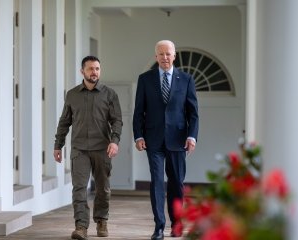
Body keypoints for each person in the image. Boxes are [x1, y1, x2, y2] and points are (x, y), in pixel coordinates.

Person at [132, 40, 199, 240]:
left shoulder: (186, 79)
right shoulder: (145, 79)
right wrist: (139, 135)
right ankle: (159, 227)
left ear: (174, 55)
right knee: (157, 183)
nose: (165, 57)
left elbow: (193, 113)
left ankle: (177, 225)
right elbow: (138, 112)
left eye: (168, 54)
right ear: (156, 57)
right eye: (161, 54)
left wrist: (192, 136)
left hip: (178, 140)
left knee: (176, 183)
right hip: (153, 140)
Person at [54, 56, 123, 240]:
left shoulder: (110, 94)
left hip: (102, 149)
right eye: (91, 69)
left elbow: (117, 121)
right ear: (82, 71)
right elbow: (64, 122)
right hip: (79, 149)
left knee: (103, 188)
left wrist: (114, 141)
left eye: (97, 69)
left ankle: (101, 220)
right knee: (79, 188)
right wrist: (58, 145)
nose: (95, 72)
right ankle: (81, 227)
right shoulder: (72, 94)